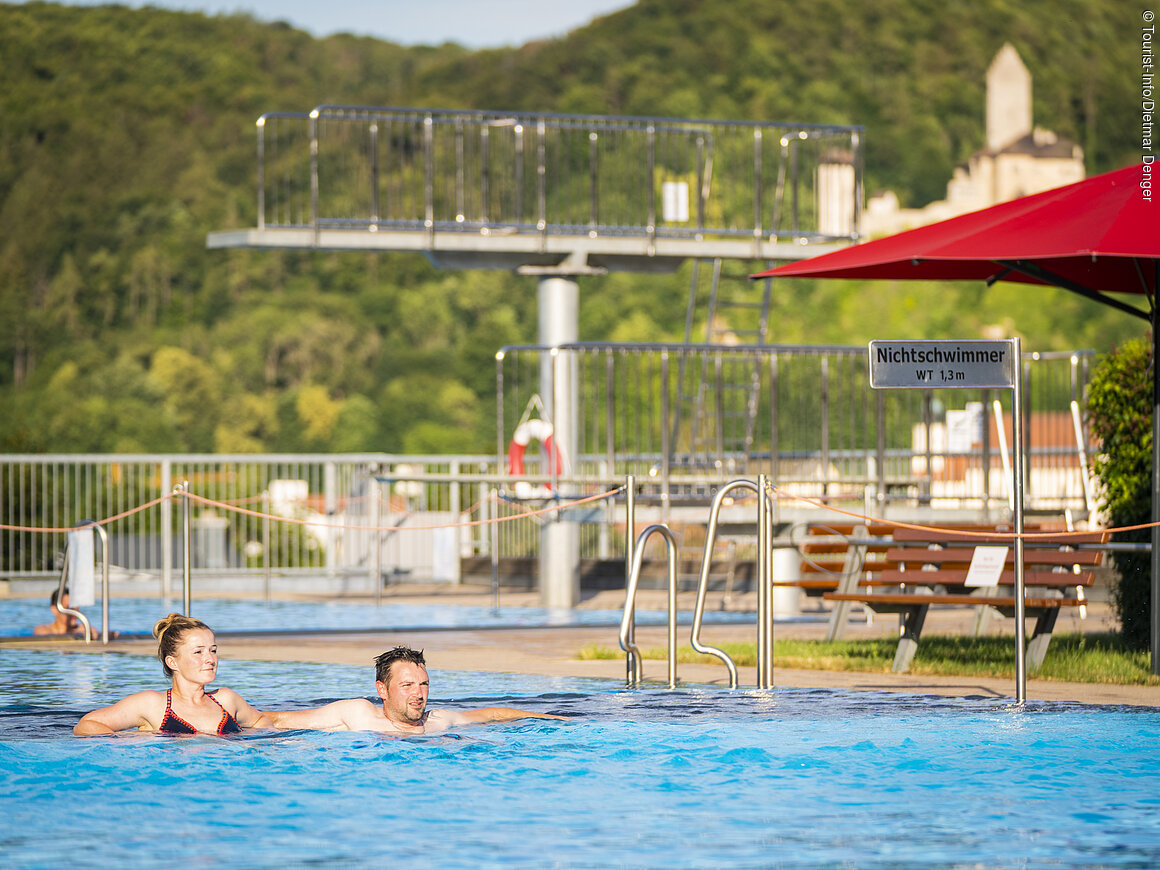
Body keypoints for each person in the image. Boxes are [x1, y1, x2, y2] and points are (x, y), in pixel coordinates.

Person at [263, 645, 570, 736]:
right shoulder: (357, 714)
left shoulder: (439, 721)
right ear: (381, 690)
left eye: (423, 684)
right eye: (407, 685)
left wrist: (558, 721)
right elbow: (280, 721)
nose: (419, 693)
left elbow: (494, 714)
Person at [74, 614, 272, 736]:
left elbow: (261, 721)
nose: (210, 659)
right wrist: (127, 742)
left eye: (213, 650)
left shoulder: (227, 700)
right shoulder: (153, 704)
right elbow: (86, 725)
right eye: (198, 652)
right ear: (172, 662)